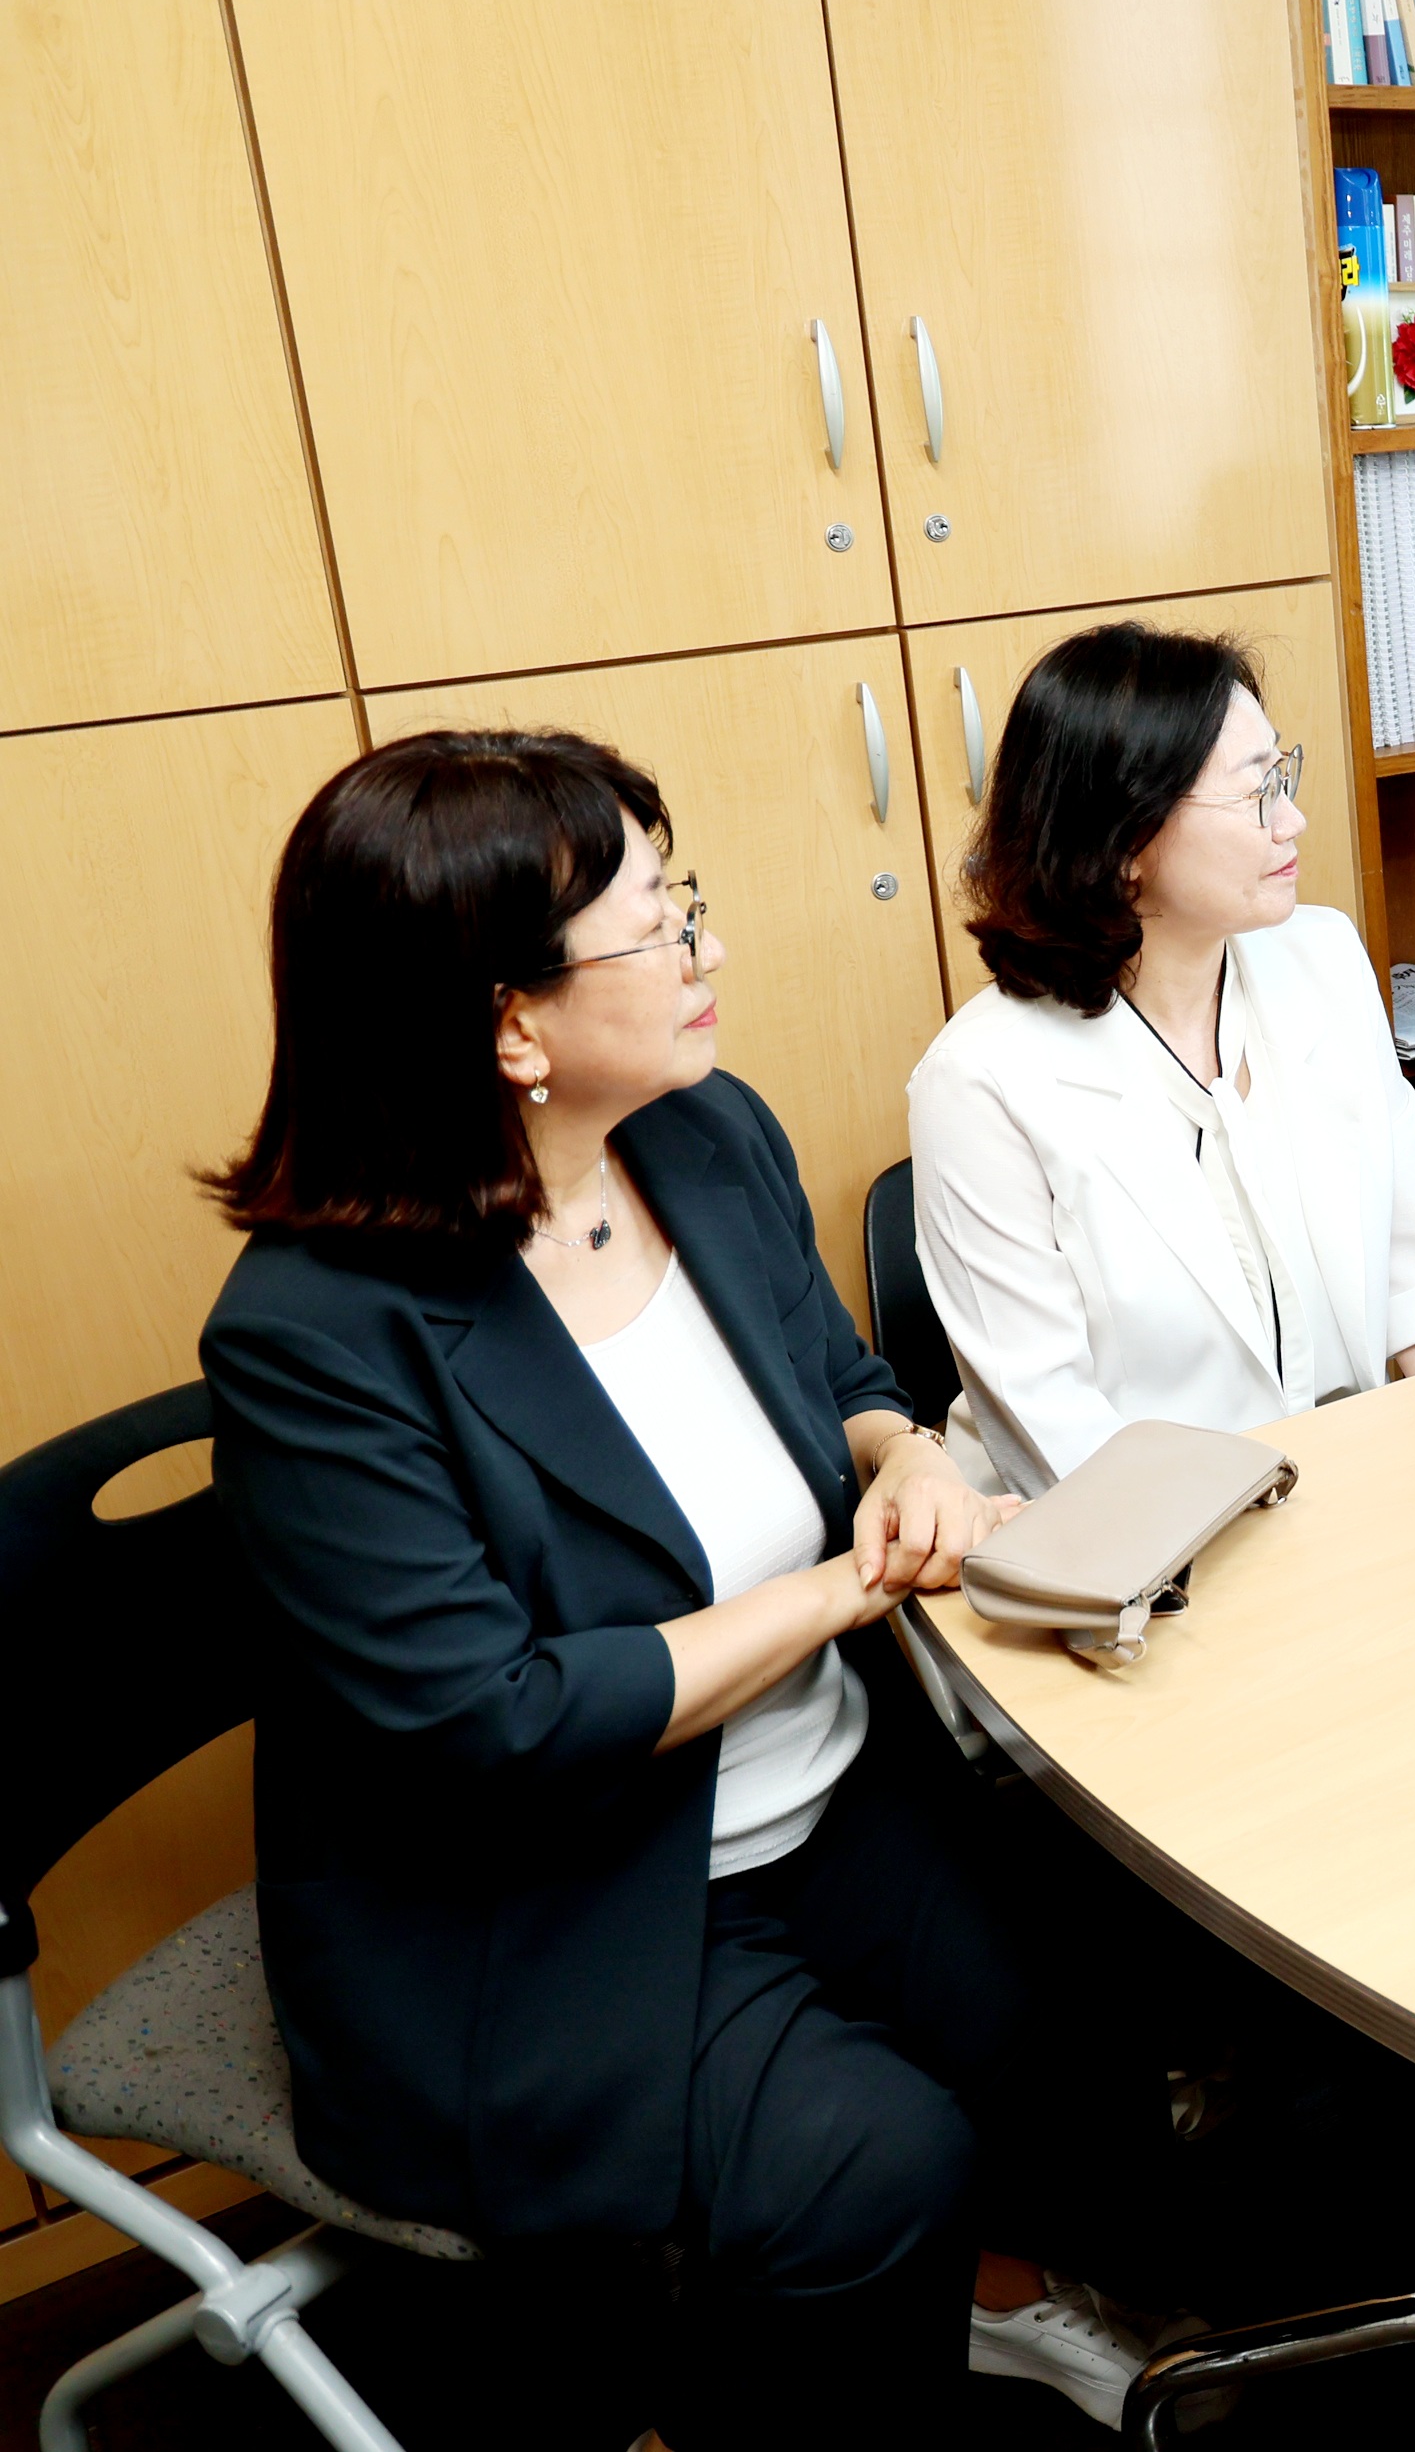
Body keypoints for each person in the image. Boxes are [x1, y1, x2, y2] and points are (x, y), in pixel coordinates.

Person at [198, 731, 1160, 2447]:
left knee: (1085, 2008)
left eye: (683, 900)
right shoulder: (316, 1337)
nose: (708, 954)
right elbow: (491, 1721)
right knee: (875, 2169)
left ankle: (992, 2302)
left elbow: (834, 1369)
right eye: (659, 929)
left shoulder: (698, 1138)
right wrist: (835, 1596)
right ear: (510, 1024)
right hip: (540, 1897)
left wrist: (903, 1458)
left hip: (816, 1786)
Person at [909, 623, 1415, 1498]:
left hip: (1365, 1490)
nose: (1291, 819)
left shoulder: (1322, 958)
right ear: (1125, 842)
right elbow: (1058, 1440)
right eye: (1255, 793)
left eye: (1280, 776)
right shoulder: (981, 1082)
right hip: (1142, 1553)